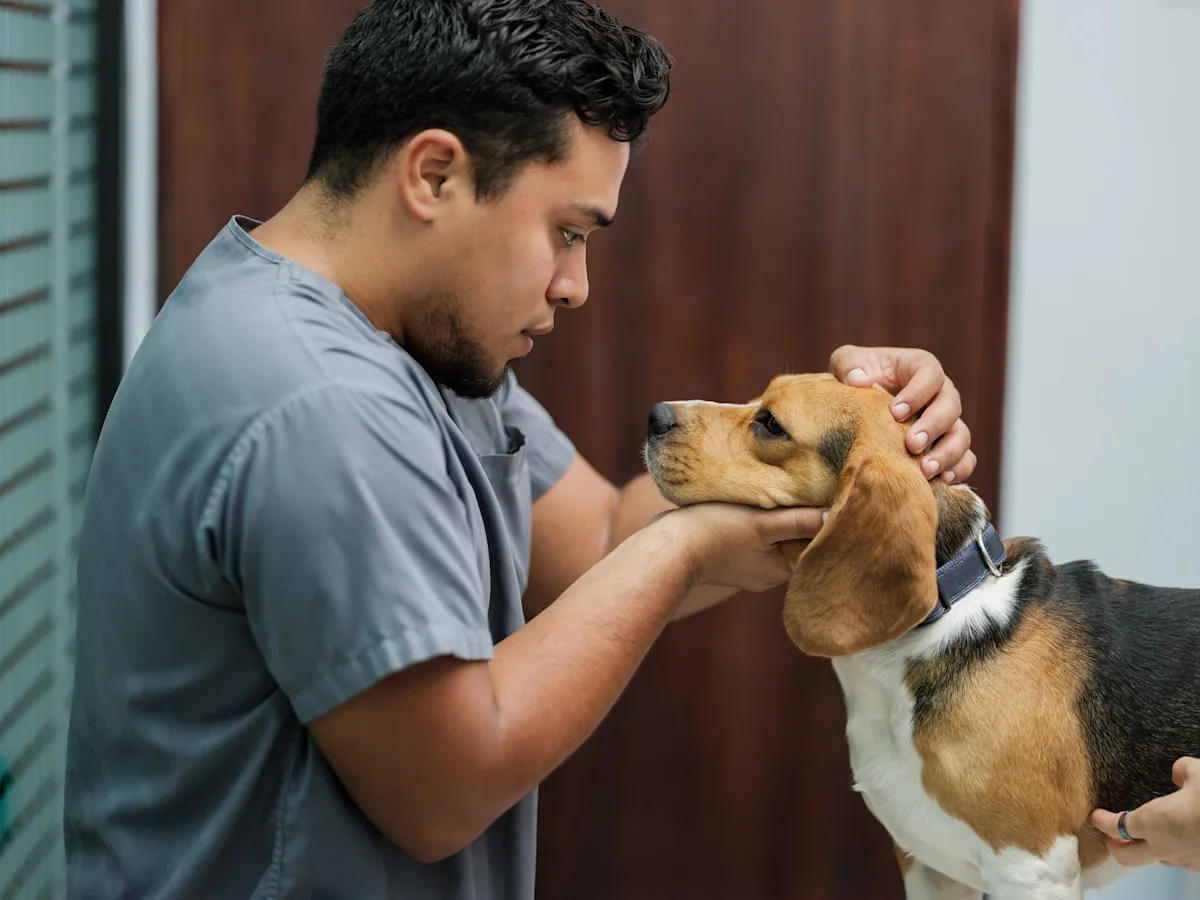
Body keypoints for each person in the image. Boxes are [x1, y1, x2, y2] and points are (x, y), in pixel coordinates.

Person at [63, 2, 977, 898]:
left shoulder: (415, 344)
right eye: (567, 233)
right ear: (433, 175)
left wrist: (851, 449)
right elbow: (445, 786)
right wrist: (687, 546)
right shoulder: (317, 400)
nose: (576, 285)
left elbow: (594, 540)